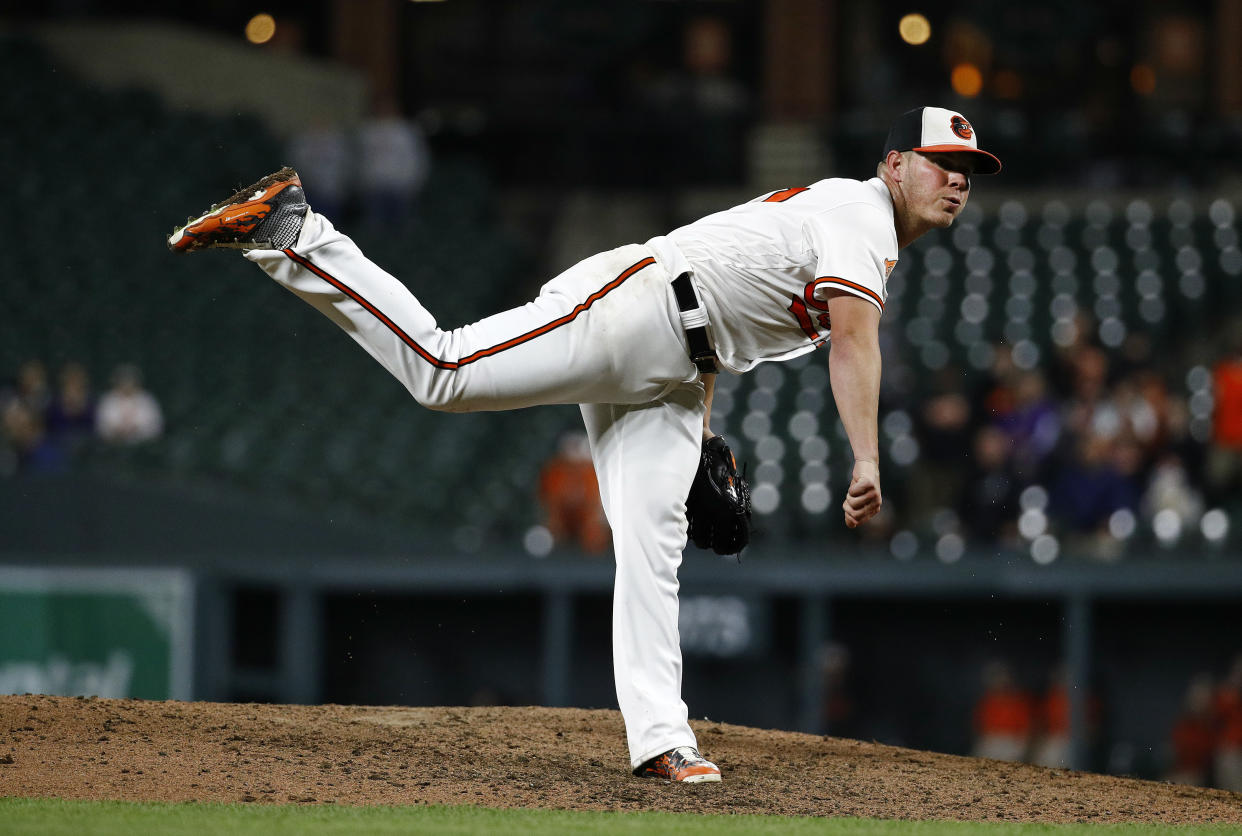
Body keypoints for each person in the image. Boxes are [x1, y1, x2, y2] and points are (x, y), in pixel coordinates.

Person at [167, 106, 1001, 782]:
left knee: (654, 542)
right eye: (939, 163)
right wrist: (864, 458)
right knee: (444, 370)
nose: (954, 183)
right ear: (894, 163)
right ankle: (298, 231)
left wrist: (706, 436)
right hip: (631, 309)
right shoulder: (862, 216)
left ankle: (660, 741)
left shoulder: (848, 221)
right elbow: (854, 342)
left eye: (966, 173)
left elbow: (727, 297)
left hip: (678, 366)